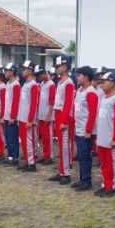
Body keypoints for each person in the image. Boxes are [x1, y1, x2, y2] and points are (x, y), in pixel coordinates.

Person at [94, 71, 115, 197]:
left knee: (111, 163)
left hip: (110, 138)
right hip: (102, 136)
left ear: (111, 83)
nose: (101, 85)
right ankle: (105, 184)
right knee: (104, 163)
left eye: (104, 82)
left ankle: (111, 187)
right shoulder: (104, 98)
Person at [70, 66, 98, 190]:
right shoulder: (80, 90)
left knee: (85, 156)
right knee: (81, 156)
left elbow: (92, 113)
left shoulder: (91, 92)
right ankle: (82, 179)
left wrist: (88, 130)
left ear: (86, 77)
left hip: (86, 131)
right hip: (79, 128)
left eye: (79, 76)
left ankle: (86, 181)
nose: (77, 78)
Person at [49, 56, 76, 184]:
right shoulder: (60, 82)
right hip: (59, 113)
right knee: (60, 145)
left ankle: (66, 173)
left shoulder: (69, 82)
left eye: (58, 66)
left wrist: (64, 121)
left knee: (65, 145)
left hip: (65, 115)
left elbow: (68, 103)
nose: (56, 69)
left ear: (65, 67)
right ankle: (61, 170)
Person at [17, 62, 41, 172]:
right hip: (22, 117)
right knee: (24, 142)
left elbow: (34, 103)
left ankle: (31, 163)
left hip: (28, 119)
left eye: (25, 69)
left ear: (30, 70)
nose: (22, 71)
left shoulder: (34, 85)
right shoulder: (25, 84)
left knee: (30, 141)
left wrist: (30, 119)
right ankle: (27, 160)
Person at [37, 64, 56, 165]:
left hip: (47, 116)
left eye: (40, 75)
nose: (39, 78)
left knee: (48, 137)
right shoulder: (42, 84)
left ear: (44, 74)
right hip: (41, 114)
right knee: (43, 137)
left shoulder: (51, 85)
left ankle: (49, 157)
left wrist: (49, 116)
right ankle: (45, 155)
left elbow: (52, 102)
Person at [3, 63, 21, 164]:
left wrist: (13, 116)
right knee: (8, 138)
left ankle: (15, 157)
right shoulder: (8, 84)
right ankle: (10, 156)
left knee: (13, 138)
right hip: (6, 115)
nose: (5, 73)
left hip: (11, 116)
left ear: (12, 72)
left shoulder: (16, 85)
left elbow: (16, 101)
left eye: (7, 71)